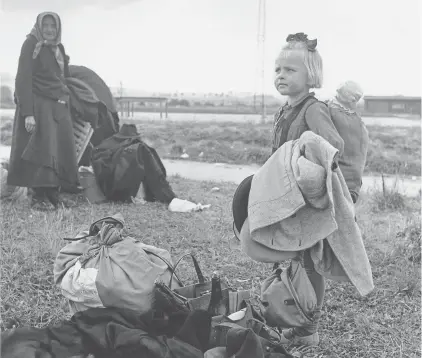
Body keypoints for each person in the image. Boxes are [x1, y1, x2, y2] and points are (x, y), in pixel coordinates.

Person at [268, 32, 345, 346]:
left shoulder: (313, 109)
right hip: (289, 197)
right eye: (278, 70)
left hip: (309, 199)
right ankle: (298, 323)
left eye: (290, 70)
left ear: (310, 75)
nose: (281, 75)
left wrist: (305, 158)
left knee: (310, 262)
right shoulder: (285, 110)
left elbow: (333, 146)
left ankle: (308, 331)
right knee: (297, 259)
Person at [7, 12, 79, 210]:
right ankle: (37, 196)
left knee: (58, 149)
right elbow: (23, 78)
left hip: (57, 106)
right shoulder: (31, 44)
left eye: (52, 26)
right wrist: (28, 113)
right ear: (39, 26)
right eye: (45, 25)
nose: (49, 29)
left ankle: (53, 193)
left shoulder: (59, 48)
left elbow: (63, 77)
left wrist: (65, 98)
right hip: (37, 105)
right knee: (41, 150)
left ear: (58, 28)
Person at [326, 81, 369, 203]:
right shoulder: (353, 117)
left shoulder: (330, 110)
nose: (354, 100)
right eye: (354, 97)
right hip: (346, 178)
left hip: (343, 177)